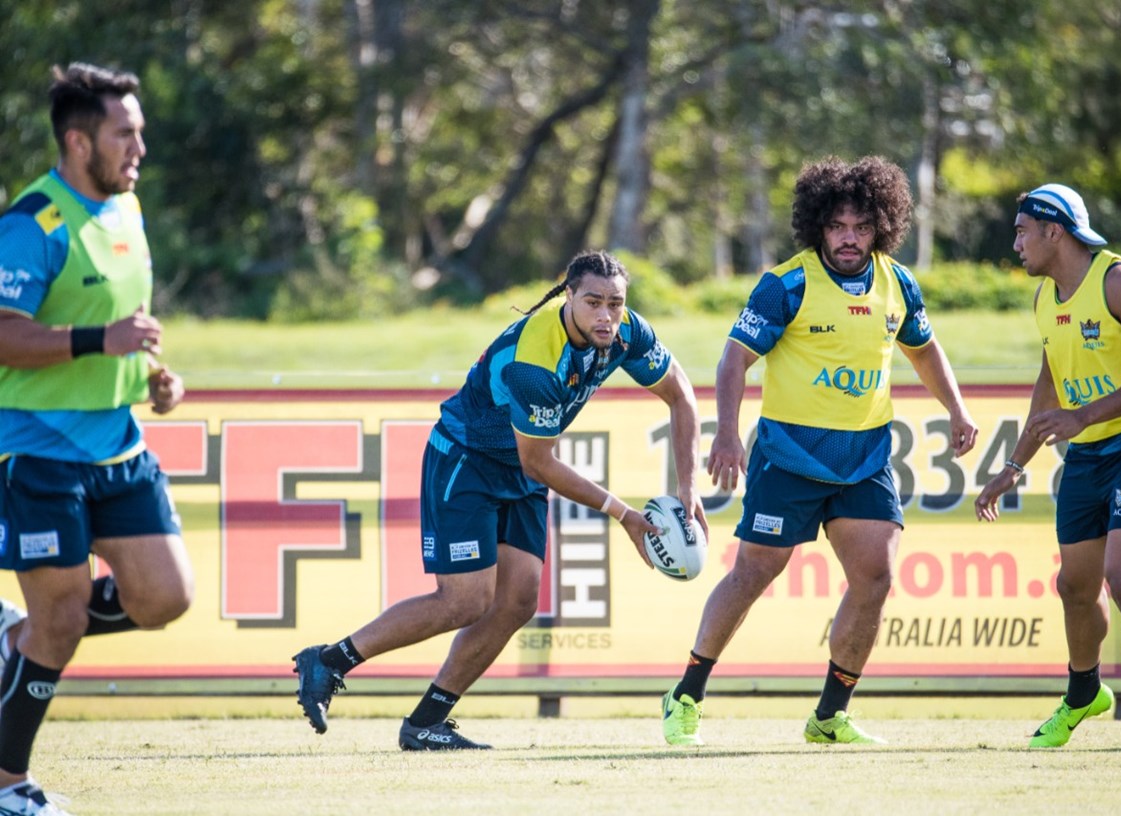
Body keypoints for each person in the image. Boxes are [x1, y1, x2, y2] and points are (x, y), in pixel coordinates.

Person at [293, 249, 707, 750]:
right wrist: (623, 514)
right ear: (568, 296)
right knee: (464, 601)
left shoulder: (627, 332)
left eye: (615, 304)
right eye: (593, 302)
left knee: (517, 601)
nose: (606, 315)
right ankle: (329, 661)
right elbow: (540, 463)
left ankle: (426, 723)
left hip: (521, 467)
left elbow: (681, 394)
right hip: (467, 460)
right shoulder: (535, 360)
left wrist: (688, 488)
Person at [661, 155, 978, 747]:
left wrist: (957, 409)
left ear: (882, 225)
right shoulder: (787, 285)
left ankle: (830, 716)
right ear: (818, 227)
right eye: (837, 226)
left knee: (876, 577)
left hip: (865, 459)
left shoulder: (897, 283)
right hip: (790, 456)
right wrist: (727, 433)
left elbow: (924, 349)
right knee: (753, 573)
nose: (849, 238)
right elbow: (734, 358)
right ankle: (686, 695)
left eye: (861, 226)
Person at [0, 63, 194, 814]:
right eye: (125, 134)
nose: (139, 148)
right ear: (79, 142)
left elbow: (125, 323)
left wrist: (155, 378)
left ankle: (16, 637)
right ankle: (9, 786)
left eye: (139, 132)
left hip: (119, 448)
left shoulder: (127, 210)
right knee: (62, 620)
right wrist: (96, 341)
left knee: (165, 598)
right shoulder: (33, 223)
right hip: (39, 454)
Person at [975, 184, 1121, 752]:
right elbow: (1050, 381)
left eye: (1022, 231)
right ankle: (1083, 693)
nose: (1015, 243)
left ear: (1054, 231)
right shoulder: (1045, 298)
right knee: (1074, 586)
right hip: (1087, 454)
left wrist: (1084, 415)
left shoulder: (1119, 282)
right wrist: (1014, 465)